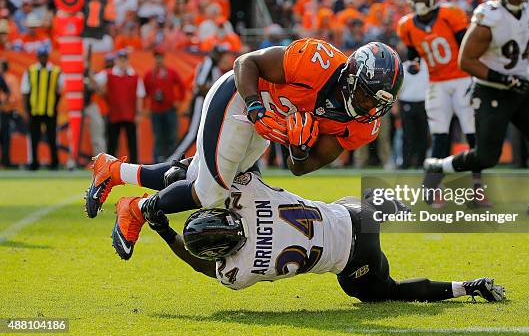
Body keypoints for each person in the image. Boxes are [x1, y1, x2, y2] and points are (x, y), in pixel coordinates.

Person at [85, 39, 403, 261]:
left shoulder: (363, 125)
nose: (371, 107)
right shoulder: (317, 61)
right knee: (212, 193)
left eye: (380, 102)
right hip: (240, 98)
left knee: (197, 175)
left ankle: (112, 170)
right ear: (351, 79)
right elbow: (246, 63)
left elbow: (300, 167)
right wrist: (255, 108)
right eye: (368, 96)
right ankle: (135, 210)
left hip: (266, 126)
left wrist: (301, 148)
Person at [111, 167, 505, 303]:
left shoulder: (241, 269)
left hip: (355, 262)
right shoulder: (247, 195)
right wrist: (160, 206)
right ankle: (411, 194)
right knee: (362, 204)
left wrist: (162, 232)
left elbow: (201, 266)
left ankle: (466, 286)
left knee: (382, 293)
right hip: (354, 213)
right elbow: (209, 179)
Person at [424, 0, 529, 216]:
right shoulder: (490, 17)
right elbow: (466, 60)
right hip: (491, 90)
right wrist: (502, 79)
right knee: (486, 157)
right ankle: (439, 166)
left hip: (520, 85)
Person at [397, 0, 485, 208]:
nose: (421, 1)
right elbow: (412, 52)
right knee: (439, 137)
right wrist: (415, 62)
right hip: (436, 84)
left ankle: (478, 188)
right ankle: (432, 189)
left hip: (462, 79)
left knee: (473, 134)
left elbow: (467, 45)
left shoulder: (449, 15)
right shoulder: (406, 25)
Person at [167, 45, 227, 162]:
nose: (220, 57)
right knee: (193, 132)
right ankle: (173, 158)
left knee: (204, 133)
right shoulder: (209, 63)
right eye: (218, 54)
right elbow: (200, 84)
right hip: (201, 100)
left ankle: (206, 160)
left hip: (205, 101)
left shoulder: (213, 65)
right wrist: (213, 95)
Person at [94, 49, 145, 163]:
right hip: (114, 113)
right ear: (116, 61)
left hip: (130, 114)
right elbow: (95, 83)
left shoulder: (135, 76)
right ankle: (109, 166)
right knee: (112, 142)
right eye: (120, 60)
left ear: (128, 61)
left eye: (124, 60)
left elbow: (139, 96)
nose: (122, 62)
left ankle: (134, 165)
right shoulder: (109, 73)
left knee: (132, 142)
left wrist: (138, 114)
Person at [21, 46, 63, 170]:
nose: (43, 58)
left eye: (44, 56)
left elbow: (59, 90)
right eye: (40, 56)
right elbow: (25, 92)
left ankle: (54, 163)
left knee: (52, 137)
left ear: (47, 57)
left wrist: (54, 105)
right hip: (34, 110)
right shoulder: (30, 71)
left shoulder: (56, 71)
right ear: (37, 57)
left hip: (50, 110)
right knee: (34, 138)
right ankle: (34, 163)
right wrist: (26, 111)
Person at [144, 49, 185, 163]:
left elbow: (182, 86)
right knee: (158, 138)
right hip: (155, 111)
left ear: (163, 58)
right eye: (156, 57)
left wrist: (179, 101)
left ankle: (172, 161)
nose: (158, 59)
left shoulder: (171, 72)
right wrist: (146, 107)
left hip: (169, 109)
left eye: (160, 57)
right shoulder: (149, 74)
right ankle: (157, 163)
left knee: (172, 137)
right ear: (154, 58)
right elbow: (145, 93)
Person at [398, 59, 429, 169]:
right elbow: (399, 87)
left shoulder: (427, 65)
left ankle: (420, 162)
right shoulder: (404, 66)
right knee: (407, 135)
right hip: (407, 103)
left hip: (423, 103)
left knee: (423, 135)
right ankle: (406, 162)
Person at [0, 59, 19, 167]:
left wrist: (5, 101)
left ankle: (5, 162)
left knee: (5, 137)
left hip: (6, 112)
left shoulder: (11, 79)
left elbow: (15, 96)